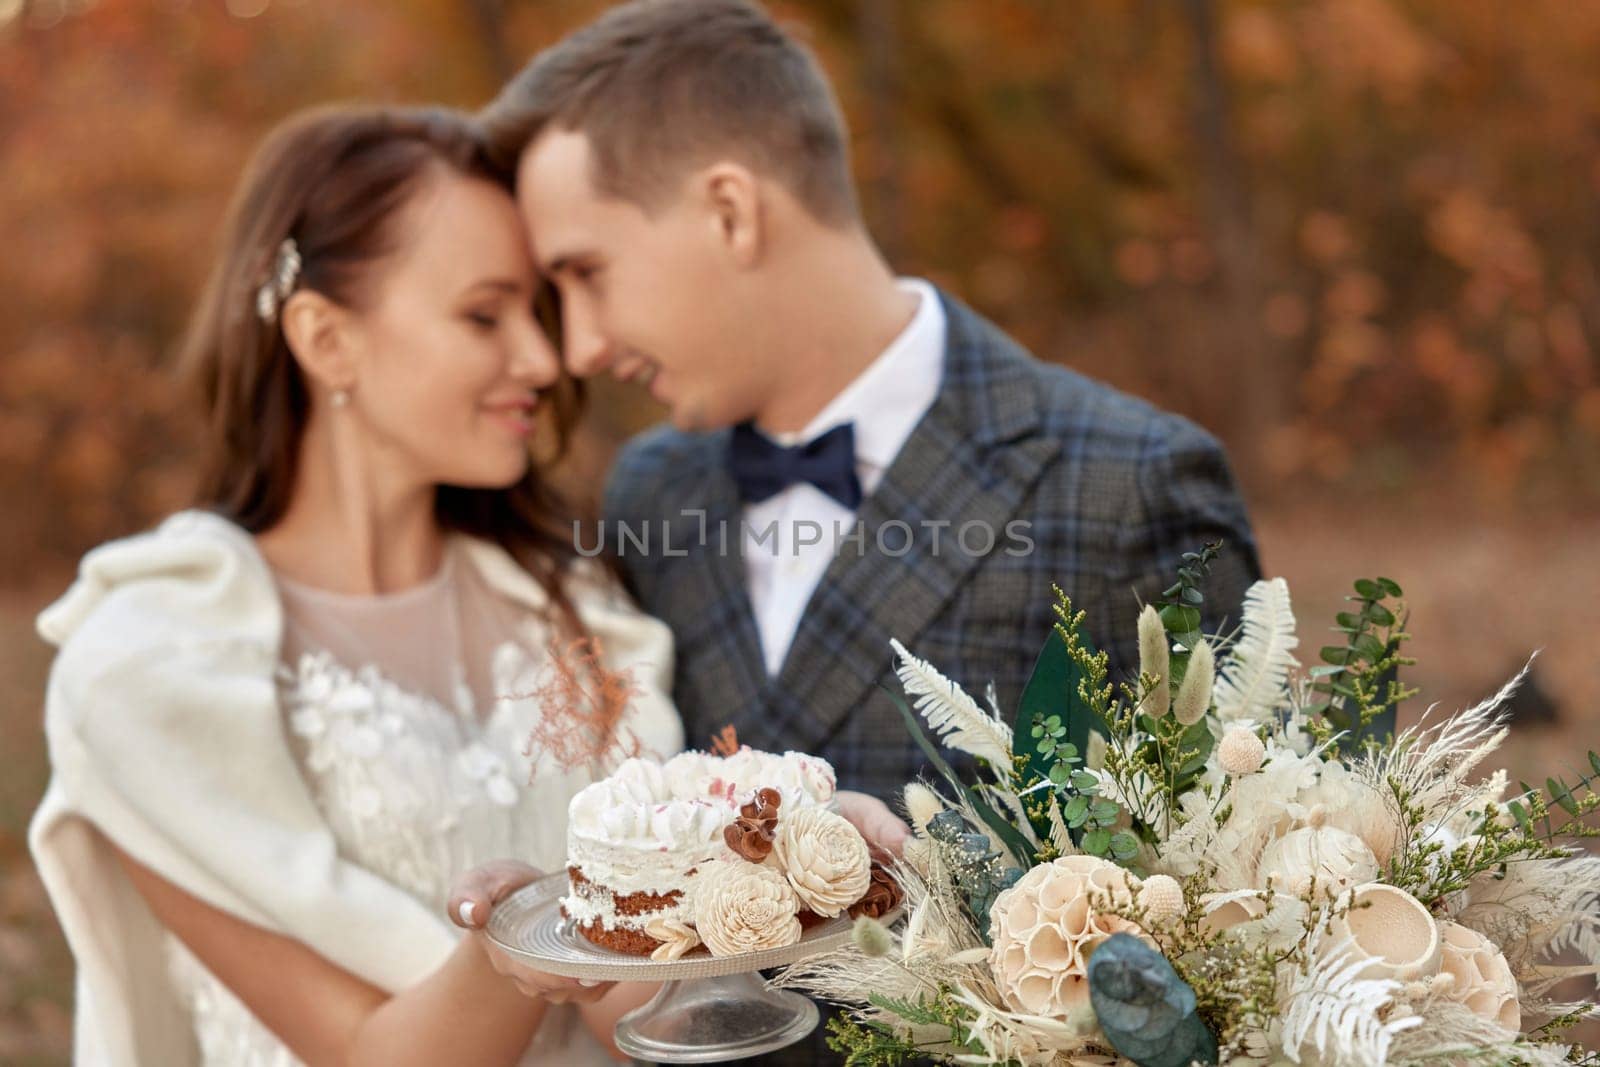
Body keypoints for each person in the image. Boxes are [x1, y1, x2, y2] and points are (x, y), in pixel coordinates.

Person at [455, 1, 1261, 1060]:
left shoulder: (1127, 481)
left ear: (731, 211)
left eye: (584, 273)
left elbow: (1259, 912)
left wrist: (938, 872)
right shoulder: (652, 488)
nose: (580, 344)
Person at [28, 105, 680, 1066]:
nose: (542, 359)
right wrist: (519, 940)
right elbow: (368, 1052)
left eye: (534, 312)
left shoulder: (579, 614)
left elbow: (642, 1027)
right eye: (482, 313)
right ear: (325, 338)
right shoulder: (151, 668)